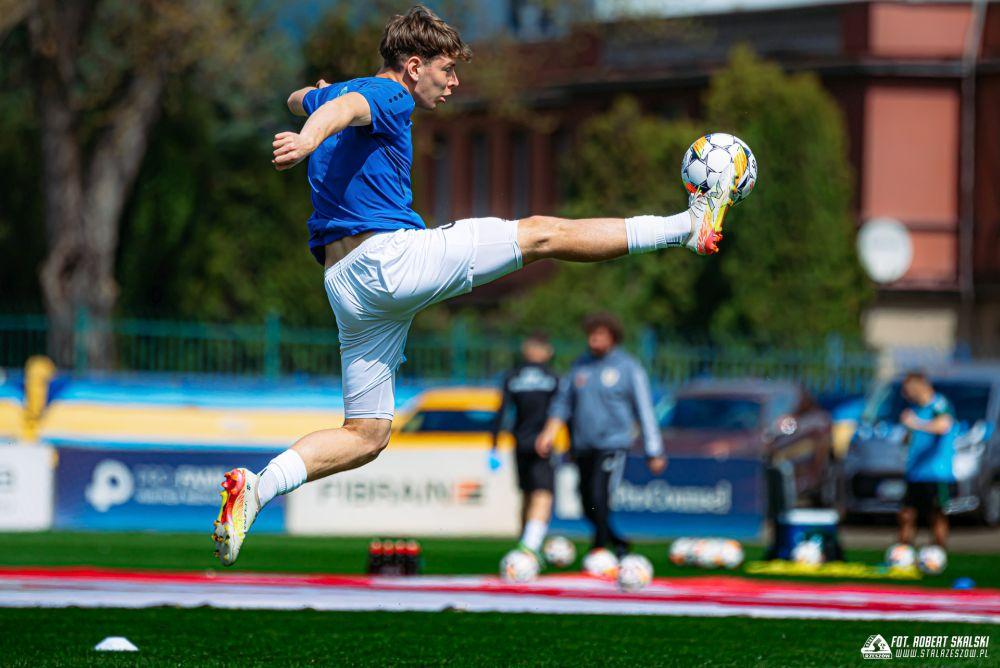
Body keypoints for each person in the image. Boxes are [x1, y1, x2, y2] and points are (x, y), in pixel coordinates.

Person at [213, 5, 738, 565]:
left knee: (366, 433)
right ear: (413, 66)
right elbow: (339, 108)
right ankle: (685, 226)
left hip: (344, 284)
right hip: (389, 262)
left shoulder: (348, 91)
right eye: (446, 69)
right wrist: (308, 138)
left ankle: (257, 487)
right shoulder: (388, 95)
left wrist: (309, 103)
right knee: (539, 235)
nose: (455, 81)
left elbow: (308, 97)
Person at [534, 313, 666, 558]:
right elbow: (563, 404)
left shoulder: (628, 368)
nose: (594, 340)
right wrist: (549, 433)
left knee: (599, 494)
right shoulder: (580, 367)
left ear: (612, 337)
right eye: (591, 335)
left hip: (612, 444)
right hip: (583, 445)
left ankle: (599, 549)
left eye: (600, 335)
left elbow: (645, 410)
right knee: (585, 501)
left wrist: (654, 450)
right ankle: (617, 541)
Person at [489, 334, 559, 559]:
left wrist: (494, 443)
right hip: (544, 443)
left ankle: (525, 541)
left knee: (528, 493)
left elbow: (502, 411)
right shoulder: (553, 377)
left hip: (520, 442)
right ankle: (530, 545)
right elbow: (563, 411)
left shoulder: (513, 376)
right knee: (543, 493)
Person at [897, 371, 957, 548]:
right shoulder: (915, 409)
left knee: (936, 514)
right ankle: (903, 551)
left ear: (919, 386)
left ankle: (938, 552)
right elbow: (910, 437)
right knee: (906, 514)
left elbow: (943, 425)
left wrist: (915, 424)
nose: (905, 393)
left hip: (936, 472)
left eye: (907, 389)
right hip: (915, 472)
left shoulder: (939, 404)